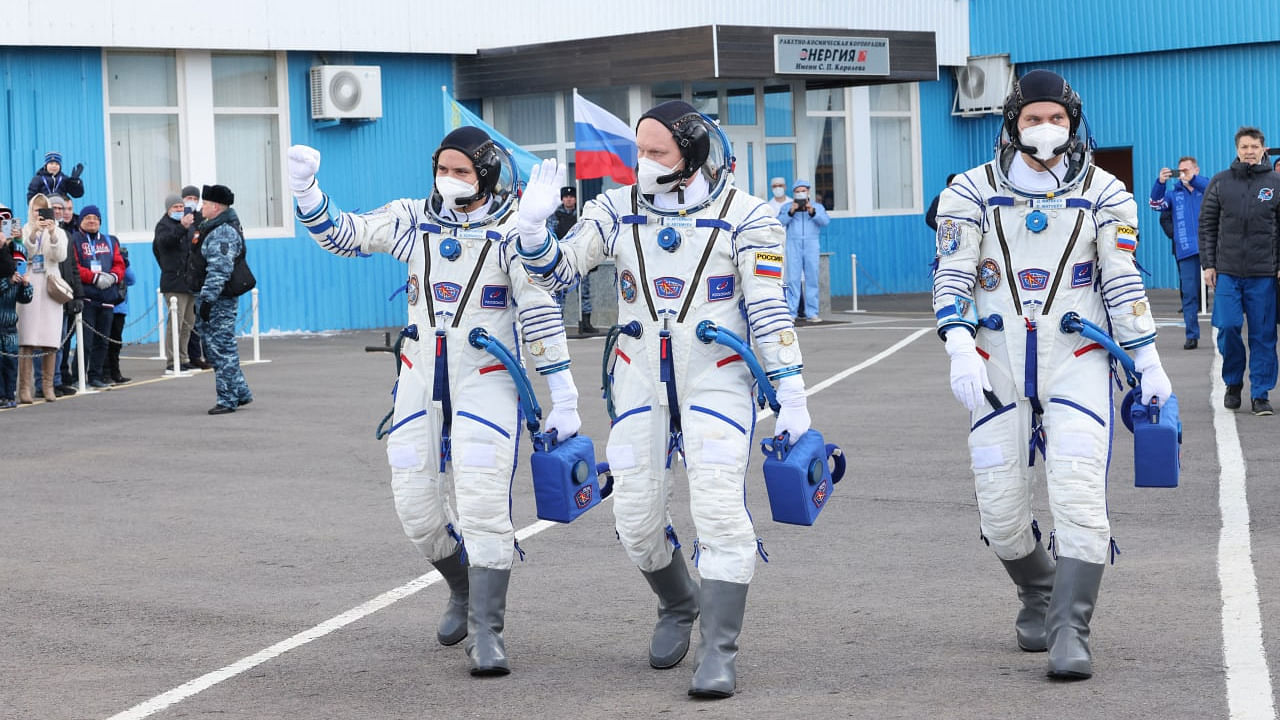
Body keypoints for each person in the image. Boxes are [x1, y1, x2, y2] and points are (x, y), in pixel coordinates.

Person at [514, 100, 813, 699]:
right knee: (635, 520)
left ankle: (719, 650)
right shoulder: (613, 210)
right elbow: (559, 275)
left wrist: (791, 390)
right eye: (639, 152)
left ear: (692, 153)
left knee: (720, 510)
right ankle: (679, 601)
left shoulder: (747, 216)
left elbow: (768, 306)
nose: (643, 163)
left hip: (718, 379)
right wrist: (532, 233)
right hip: (639, 379)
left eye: (657, 153)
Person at [287, 126, 582, 676]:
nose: (448, 179)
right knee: (416, 509)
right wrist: (307, 193)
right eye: (442, 169)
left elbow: (541, 315)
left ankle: (487, 631)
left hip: (487, 381)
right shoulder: (413, 219)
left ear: (488, 176)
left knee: (483, 504)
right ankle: (462, 587)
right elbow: (346, 235)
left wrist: (562, 393)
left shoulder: (513, 232)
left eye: (461, 171)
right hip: (419, 382)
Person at [932, 70, 1173, 680]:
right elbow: (953, 274)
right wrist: (959, 345)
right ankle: (1037, 589)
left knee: (1079, 498)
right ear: (1012, 122)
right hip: (995, 362)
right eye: (1034, 118)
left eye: (1057, 119)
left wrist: (1147, 359)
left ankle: (1071, 629)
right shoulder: (969, 191)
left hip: (1078, 361)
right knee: (1001, 514)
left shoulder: (1107, 194)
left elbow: (1123, 280)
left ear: (1074, 124)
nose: (1046, 129)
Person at [1199, 126, 1280, 416]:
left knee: (1263, 335)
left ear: (1263, 149)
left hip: (1264, 275)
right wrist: (1208, 264)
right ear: (1237, 149)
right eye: (1244, 147)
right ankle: (1233, 384)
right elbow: (1207, 225)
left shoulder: (1275, 183)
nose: (1249, 151)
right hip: (1228, 274)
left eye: (1254, 147)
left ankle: (1261, 393)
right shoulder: (1220, 182)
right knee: (1229, 326)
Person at [188, 185, 253, 414]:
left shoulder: (222, 231)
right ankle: (241, 392)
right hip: (212, 297)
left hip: (219, 300)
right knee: (213, 347)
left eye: (205, 203)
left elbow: (219, 269)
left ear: (215, 207)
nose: (201, 207)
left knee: (222, 348)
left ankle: (227, 399)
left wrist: (207, 300)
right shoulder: (211, 227)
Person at [1149, 157, 1209, 349]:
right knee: (1189, 295)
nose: (1183, 174)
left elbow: (1212, 189)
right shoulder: (1174, 195)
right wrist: (1160, 183)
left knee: (1224, 289)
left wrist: (1193, 180)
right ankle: (1192, 335)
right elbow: (1155, 204)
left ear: (1196, 170)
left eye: (1187, 170)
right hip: (1186, 249)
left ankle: (1225, 331)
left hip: (1211, 247)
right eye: (1180, 171)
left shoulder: (1207, 188)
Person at [16, 195, 70, 403]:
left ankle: (48, 385)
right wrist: (35, 232)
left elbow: (60, 256)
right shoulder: (24, 230)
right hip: (29, 283)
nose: (40, 214)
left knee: (50, 337)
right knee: (27, 338)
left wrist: (52, 234)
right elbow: (23, 251)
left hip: (50, 284)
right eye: (37, 210)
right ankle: (24, 388)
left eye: (43, 210)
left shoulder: (59, 231)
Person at [70, 205, 126, 389]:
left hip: (108, 297)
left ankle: (96, 375)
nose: (92, 221)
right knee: (85, 341)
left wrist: (113, 277)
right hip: (88, 297)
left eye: (95, 218)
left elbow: (119, 264)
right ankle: (79, 376)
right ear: (81, 221)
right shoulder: (74, 240)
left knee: (102, 341)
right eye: (88, 218)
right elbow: (74, 267)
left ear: (100, 221)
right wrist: (94, 277)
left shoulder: (110, 241)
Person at [153, 192, 198, 371]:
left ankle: (183, 357)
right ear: (168, 209)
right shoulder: (164, 226)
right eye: (176, 207)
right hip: (173, 282)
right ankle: (173, 361)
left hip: (189, 281)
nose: (180, 210)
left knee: (188, 323)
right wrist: (181, 227)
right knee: (175, 324)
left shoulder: (190, 225)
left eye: (181, 206)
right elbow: (164, 244)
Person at [547, 185, 598, 335]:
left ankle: (586, 322)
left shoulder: (582, 215)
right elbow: (551, 235)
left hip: (580, 259)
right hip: (562, 260)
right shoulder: (555, 215)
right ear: (562, 199)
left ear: (575, 199)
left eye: (571, 197)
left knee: (585, 292)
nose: (569, 199)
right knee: (560, 293)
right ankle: (558, 323)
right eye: (566, 197)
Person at [778, 178, 830, 323]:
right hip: (793, 244)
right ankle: (792, 312)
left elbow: (825, 221)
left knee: (812, 278)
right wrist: (791, 211)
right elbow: (779, 222)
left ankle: (812, 312)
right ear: (794, 193)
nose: (801, 193)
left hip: (811, 244)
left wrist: (812, 211)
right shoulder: (787, 206)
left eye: (803, 191)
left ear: (808, 192)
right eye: (798, 191)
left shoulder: (817, 207)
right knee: (793, 279)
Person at [50, 195, 84, 394]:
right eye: (53, 207)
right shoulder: (40, 232)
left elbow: (73, 267)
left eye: (61, 208)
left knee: (62, 340)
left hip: (65, 292)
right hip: (50, 293)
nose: (58, 211)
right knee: (48, 342)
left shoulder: (66, 235)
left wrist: (77, 295)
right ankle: (46, 382)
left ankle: (58, 379)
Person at [0, 217, 33, 408]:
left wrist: (26, 285)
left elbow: (25, 298)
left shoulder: (15, 262)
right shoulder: (8, 276)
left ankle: (9, 394)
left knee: (10, 362)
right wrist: (8, 282)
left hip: (10, 324)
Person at [180, 185, 212, 370]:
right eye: (188, 197)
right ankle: (192, 356)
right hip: (185, 276)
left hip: (201, 275)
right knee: (189, 322)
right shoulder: (179, 218)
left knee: (202, 319)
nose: (191, 200)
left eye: (194, 197)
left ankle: (207, 355)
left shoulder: (202, 219)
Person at [107, 246, 136, 384]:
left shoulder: (123, 265)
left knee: (116, 343)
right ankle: (104, 373)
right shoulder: (106, 264)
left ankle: (115, 372)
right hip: (106, 307)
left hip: (120, 308)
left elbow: (131, 280)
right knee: (104, 343)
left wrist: (126, 264)